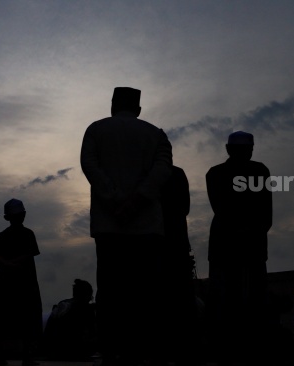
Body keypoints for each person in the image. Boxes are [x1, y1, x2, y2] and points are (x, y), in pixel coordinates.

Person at [80, 87, 173, 365]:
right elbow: (162, 172)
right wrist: (136, 201)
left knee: (109, 289)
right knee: (145, 290)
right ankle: (142, 347)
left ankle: (110, 346)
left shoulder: (96, 130)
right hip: (146, 226)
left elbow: (90, 166)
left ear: (112, 105)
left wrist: (112, 198)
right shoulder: (156, 134)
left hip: (109, 224)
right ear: (139, 109)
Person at [205, 131, 272, 365]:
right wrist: (253, 230)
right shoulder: (259, 170)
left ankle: (229, 347)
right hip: (245, 241)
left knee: (230, 297)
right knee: (247, 296)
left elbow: (222, 207)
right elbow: (265, 208)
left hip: (229, 241)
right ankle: (249, 347)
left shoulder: (215, 173)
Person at [0, 198, 43, 366]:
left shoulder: (9, 235)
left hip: (13, 283)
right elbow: (28, 253)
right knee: (24, 318)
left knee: (12, 318)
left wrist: (6, 263)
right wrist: (9, 264)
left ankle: (7, 357)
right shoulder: (24, 234)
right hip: (22, 284)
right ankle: (22, 357)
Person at [158, 165, 200, 365]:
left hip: (160, 244)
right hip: (177, 242)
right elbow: (186, 207)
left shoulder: (150, 173)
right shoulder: (177, 173)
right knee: (182, 297)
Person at [42, 279, 97, 361]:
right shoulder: (85, 309)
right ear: (87, 296)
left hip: (52, 351)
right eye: (90, 297)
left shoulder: (62, 304)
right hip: (71, 352)